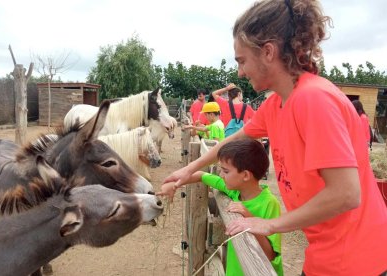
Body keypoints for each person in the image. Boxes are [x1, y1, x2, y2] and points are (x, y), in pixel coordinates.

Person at [163, 0, 387, 275]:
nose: (240, 72)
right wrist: (187, 170)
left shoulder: (313, 100)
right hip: (326, 254)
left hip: (357, 261)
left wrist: (268, 224)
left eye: (242, 60)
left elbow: (347, 193)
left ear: (268, 52)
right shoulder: (276, 105)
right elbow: (230, 143)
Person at [158, 139, 283, 276]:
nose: (221, 175)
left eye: (225, 171)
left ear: (246, 175)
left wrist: (249, 217)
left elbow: (270, 254)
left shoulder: (270, 204)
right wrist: (174, 185)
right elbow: (202, 176)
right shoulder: (235, 190)